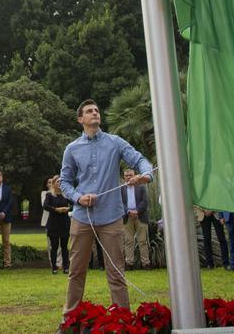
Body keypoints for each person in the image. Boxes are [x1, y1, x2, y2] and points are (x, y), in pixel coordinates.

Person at [60, 99, 152, 320]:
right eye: (89, 111)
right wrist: (79, 197)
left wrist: (146, 175)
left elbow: (140, 160)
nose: (95, 113)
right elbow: (64, 182)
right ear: (80, 119)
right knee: (76, 271)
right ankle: (69, 321)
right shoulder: (72, 149)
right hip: (82, 218)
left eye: (96, 110)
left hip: (111, 217)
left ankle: (123, 320)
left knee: (116, 272)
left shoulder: (115, 142)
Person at [119, 168, 150, 269]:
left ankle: (146, 263)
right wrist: (128, 211)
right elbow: (120, 203)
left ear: (134, 176)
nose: (129, 177)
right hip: (127, 217)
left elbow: (145, 201)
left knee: (143, 241)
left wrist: (137, 211)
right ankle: (129, 263)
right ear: (124, 177)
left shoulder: (141, 187)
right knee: (128, 241)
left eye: (131, 175)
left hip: (140, 216)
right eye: (126, 176)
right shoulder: (121, 189)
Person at [43, 175, 72, 275]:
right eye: (57, 182)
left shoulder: (66, 194)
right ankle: (54, 267)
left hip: (64, 223)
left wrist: (67, 209)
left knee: (64, 246)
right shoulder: (49, 195)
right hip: (53, 223)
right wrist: (56, 209)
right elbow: (45, 206)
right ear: (54, 183)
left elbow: (74, 204)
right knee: (54, 246)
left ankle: (66, 267)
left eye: (61, 182)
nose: (59, 183)